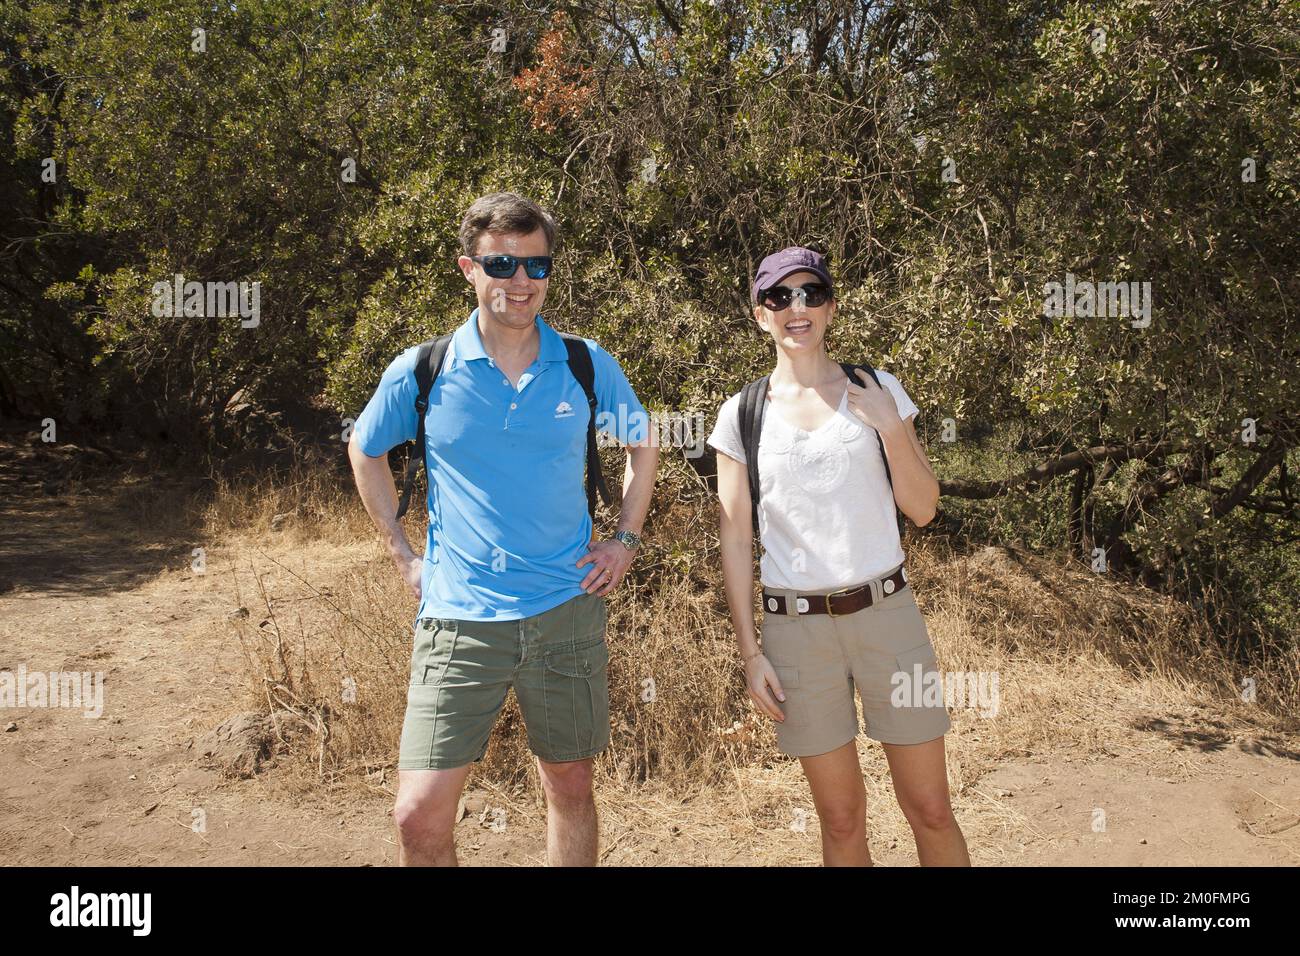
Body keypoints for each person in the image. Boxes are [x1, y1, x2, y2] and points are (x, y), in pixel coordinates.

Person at [348, 192, 659, 866]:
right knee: (417, 813)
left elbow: (644, 443)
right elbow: (365, 450)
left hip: (565, 606)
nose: (521, 282)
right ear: (470, 267)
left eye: (536, 267)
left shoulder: (583, 364)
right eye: (502, 265)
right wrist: (403, 556)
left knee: (570, 785)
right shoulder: (424, 370)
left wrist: (625, 539)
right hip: (457, 617)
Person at [708, 245, 970, 866]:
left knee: (930, 809)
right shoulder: (740, 415)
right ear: (759, 314)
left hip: (888, 615)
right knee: (842, 822)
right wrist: (751, 653)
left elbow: (925, 507)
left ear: (830, 305)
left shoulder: (878, 389)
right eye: (780, 296)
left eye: (811, 294)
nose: (797, 308)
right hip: (795, 633)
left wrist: (889, 425)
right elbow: (735, 540)